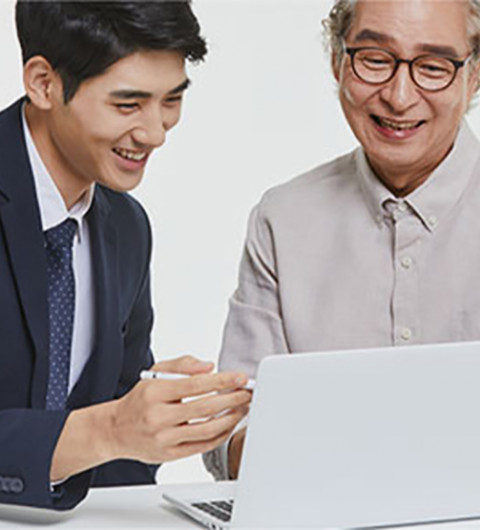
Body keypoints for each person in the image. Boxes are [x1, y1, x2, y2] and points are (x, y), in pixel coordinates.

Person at [204, 0, 480, 480]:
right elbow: (233, 431)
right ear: (337, 61)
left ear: (473, 77)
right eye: (374, 59)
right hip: (318, 508)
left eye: (433, 67)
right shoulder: (283, 219)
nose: (399, 97)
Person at [0, 0, 251, 511]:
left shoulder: (127, 226)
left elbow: (120, 467)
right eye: (128, 104)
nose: (155, 133)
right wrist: (110, 429)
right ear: (44, 83)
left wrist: (154, 422)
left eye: (171, 100)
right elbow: (106, 432)